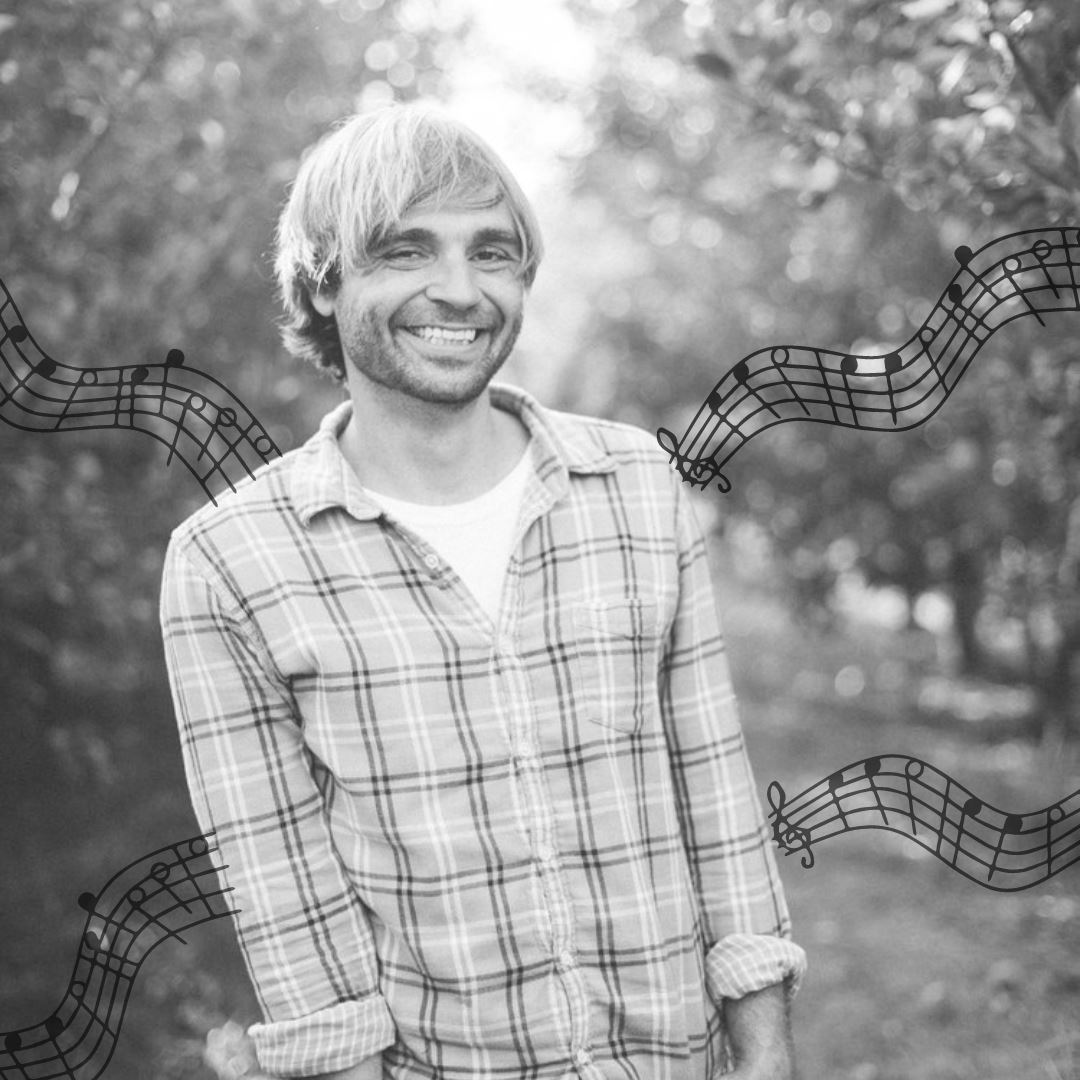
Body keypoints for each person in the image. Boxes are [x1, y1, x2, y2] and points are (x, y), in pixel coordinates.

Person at [160, 103, 806, 1080]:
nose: (460, 291)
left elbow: (714, 789)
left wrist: (764, 1049)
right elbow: (286, 900)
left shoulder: (635, 482)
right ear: (324, 281)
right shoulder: (230, 561)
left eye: (491, 253)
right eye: (407, 251)